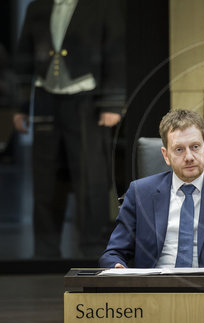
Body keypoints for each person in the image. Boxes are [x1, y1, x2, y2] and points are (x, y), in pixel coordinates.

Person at [13, 0, 125, 258]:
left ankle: (93, 249)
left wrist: (112, 102)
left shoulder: (101, 6)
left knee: (90, 177)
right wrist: (20, 106)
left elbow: (116, 52)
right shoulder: (37, 6)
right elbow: (24, 54)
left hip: (86, 100)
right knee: (45, 180)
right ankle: (44, 250)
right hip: (46, 99)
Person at [99, 109, 204, 268]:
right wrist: (117, 267)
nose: (189, 157)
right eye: (179, 149)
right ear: (165, 155)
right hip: (153, 289)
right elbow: (113, 253)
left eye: (195, 147)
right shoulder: (140, 192)